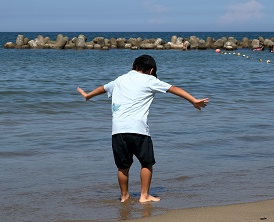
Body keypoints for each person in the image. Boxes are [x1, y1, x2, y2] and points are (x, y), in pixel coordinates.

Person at [77, 54, 209, 203]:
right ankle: (144, 195)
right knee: (146, 163)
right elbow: (173, 89)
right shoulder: (150, 80)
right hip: (138, 130)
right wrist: (193, 100)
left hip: (118, 131)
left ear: (134, 66)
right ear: (151, 70)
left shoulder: (121, 79)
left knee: (122, 167)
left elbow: (103, 88)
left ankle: (125, 196)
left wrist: (88, 96)